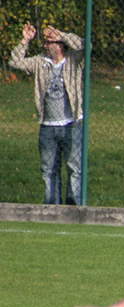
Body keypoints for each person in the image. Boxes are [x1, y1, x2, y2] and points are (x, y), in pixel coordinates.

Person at [9, 22, 85, 205]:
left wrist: (62, 34)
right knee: (49, 169)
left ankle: (73, 207)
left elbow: (85, 45)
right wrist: (25, 41)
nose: (45, 46)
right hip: (48, 126)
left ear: (59, 45)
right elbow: (15, 62)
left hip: (72, 123)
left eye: (49, 42)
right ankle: (51, 208)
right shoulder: (40, 62)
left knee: (75, 168)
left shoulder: (74, 61)